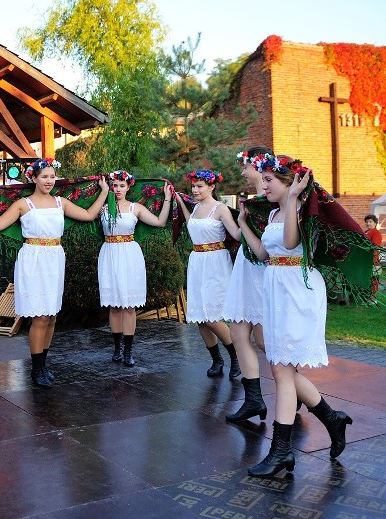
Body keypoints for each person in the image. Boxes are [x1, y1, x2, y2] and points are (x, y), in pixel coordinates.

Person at [238, 155, 352, 477]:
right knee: (283, 370)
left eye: (270, 180)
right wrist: (245, 222)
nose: (264, 185)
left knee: (282, 371)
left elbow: (290, 243)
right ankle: (332, 419)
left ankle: (281, 452)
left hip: (297, 293)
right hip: (277, 291)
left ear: (290, 183)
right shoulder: (274, 212)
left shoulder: (300, 211)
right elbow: (263, 254)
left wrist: (291, 200)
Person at [0, 158, 109, 387]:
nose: (49, 181)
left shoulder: (61, 203)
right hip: (33, 258)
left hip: (54, 256)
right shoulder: (23, 204)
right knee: (39, 316)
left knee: (51, 315)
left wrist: (105, 191)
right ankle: (35, 369)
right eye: (44, 177)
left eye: (52, 176)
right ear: (34, 178)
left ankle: (44, 365)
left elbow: (89, 215)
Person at [98, 170, 172, 366]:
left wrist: (167, 200)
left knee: (129, 306)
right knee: (114, 306)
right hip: (109, 254)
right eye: (114, 185)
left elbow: (160, 222)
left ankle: (129, 351)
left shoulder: (135, 208)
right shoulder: (103, 208)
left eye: (122, 185)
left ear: (129, 187)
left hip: (129, 255)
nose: (118, 189)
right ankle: (117, 349)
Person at [174, 170, 241, 379]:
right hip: (197, 262)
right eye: (193, 186)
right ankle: (216, 360)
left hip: (215, 263)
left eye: (200, 186)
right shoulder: (194, 210)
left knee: (211, 316)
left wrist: (248, 222)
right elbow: (190, 223)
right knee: (200, 318)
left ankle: (236, 356)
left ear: (212, 187)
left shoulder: (220, 209)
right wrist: (178, 200)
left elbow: (237, 233)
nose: (195, 190)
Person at [222, 147, 273, 422]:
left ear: (258, 165)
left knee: (265, 340)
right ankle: (253, 398)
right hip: (246, 266)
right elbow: (243, 237)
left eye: (245, 164)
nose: (242, 169)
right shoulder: (253, 200)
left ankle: (298, 388)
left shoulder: (271, 198)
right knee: (239, 333)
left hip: (262, 271)